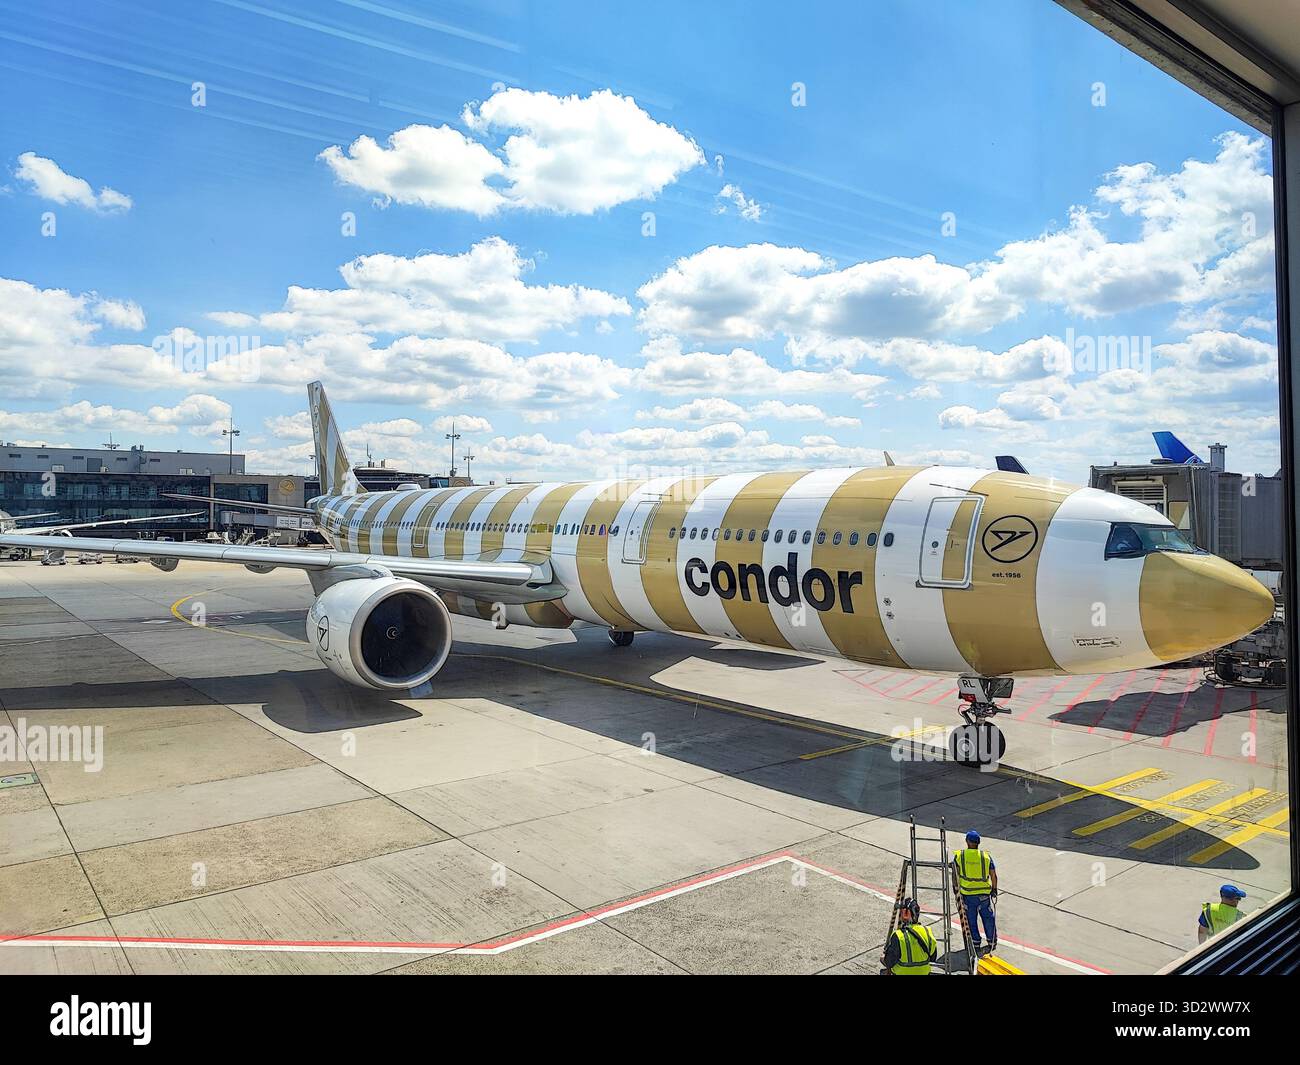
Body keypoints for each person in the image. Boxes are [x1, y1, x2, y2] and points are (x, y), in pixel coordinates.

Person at [953, 829, 998, 953]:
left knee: (971, 920)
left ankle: (975, 943)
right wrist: (994, 889)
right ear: (978, 843)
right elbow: (993, 875)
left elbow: (955, 875)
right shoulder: (986, 857)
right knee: (988, 918)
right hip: (984, 895)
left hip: (968, 895)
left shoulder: (960, 856)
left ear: (967, 841)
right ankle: (992, 940)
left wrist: (955, 890)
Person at [882, 897, 937, 975]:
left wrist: (884, 957)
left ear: (906, 914)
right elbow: (933, 957)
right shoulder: (927, 931)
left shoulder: (898, 935)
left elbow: (889, 961)